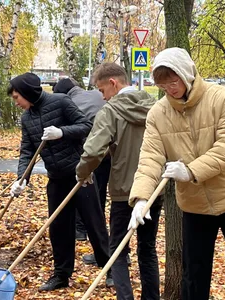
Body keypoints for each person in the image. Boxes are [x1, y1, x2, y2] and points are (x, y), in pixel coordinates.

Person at [128, 47, 225, 300]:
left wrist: (190, 171)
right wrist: (141, 198)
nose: (170, 89)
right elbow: (150, 157)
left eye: (173, 82)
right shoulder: (158, 114)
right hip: (195, 206)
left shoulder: (221, 98)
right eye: (163, 86)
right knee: (193, 276)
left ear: (187, 73)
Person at [8, 72, 111, 291]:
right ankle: (61, 275)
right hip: (56, 178)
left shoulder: (61, 102)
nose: (15, 102)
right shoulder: (27, 118)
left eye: (17, 97)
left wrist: (61, 132)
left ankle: (110, 270)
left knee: (94, 224)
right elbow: (27, 150)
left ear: (27, 92)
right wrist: (21, 179)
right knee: (59, 228)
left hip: (80, 176)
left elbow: (86, 126)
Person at [76, 62, 163, 300]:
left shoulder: (111, 111)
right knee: (147, 249)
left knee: (118, 251)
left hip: (125, 192)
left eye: (102, 90)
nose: (102, 97)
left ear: (113, 83)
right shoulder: (155, 106)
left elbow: (93, 151)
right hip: (153, 190)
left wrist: (82, 172)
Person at [53, 78, 110, 243]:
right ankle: (94, 232)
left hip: (92, 151)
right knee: (99, 192)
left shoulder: (68, 103)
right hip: (110, 150)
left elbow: (70, 133)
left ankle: (82, 230)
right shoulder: (95, 93)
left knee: (84, 189)